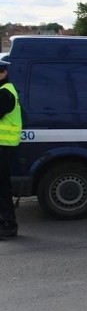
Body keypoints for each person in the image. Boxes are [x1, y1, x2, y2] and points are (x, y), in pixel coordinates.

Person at [0, 59, 22, 239]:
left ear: (4, 73)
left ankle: (8, 226)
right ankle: (5, 223)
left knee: (2, 188)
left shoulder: (5, 93)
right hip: (3, 146)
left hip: (3, 146)